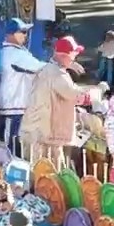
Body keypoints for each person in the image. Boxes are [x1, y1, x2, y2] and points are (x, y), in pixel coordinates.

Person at [19, 36, 99, 165]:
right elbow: (76, 96)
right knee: (46, 177)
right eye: (74, 54)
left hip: (38, 133)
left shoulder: (49, 69)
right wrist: (97, 92)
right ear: (64, 55)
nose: (75, 58)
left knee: (43, 175)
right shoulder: (57, 75)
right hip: (42, 137)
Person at [0, 18, 44, 142]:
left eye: (26, 32)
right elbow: (40, 68)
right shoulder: (13, 54)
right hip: (13, 107)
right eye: (22, 31)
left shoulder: (14, 52)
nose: (25, 35)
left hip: (15, 107)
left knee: (12, 144)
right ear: (11, 34)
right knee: (10, 146)